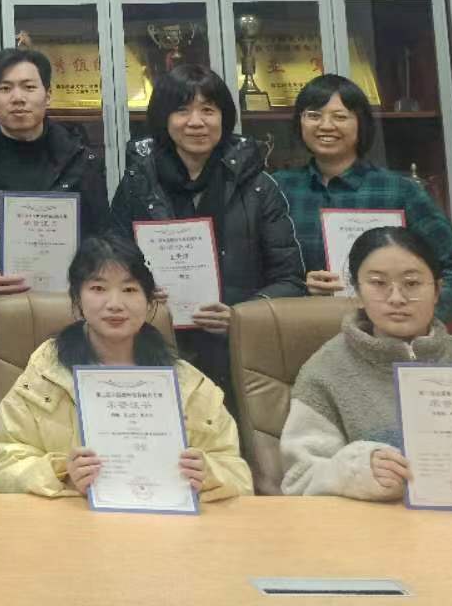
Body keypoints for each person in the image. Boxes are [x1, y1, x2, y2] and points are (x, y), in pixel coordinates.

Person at [0, 233, 252, 500]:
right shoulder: (46, 371)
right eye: (98, 289)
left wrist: (208, 474)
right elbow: (1, 463)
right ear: (77, 299)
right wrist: (62, 474)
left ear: (149, 301)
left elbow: (239, 476)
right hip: (70, 520)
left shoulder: (188, 384)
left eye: (129, 290)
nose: (115, 304)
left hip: (163, 522)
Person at [282, 226, 452, 502]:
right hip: (369, 526)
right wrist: (354, 472)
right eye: (378, 283)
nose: (396, 298)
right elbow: (298, 479)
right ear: (357, 291)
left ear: (437, 290)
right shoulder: (325, 372)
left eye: (411, 284)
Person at [109, 64, 305, 397]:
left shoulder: (259, 188)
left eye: (208, 110)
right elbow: (111, 266)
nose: (196, 122)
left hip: (239, 354)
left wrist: (242, 317)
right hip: (153, 344)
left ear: (224, 118)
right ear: (163, 119)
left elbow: (291, 280)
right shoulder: (137, 186)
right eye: (182, 110)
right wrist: (139, 291)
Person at [0, 47, 110, 435]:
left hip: (71, 312)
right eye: (5, 88)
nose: (18, 98)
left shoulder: (81, 160)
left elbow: (104, 237)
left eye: (29, 87)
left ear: (47, 95)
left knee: (70, 425)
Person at [273, 74, 452, 322]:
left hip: (382, 332)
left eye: (340, 117)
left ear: (362, 124)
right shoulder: (277, 188)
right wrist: (298, 286)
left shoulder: (399, 190)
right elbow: (257, 270)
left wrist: (420, 319)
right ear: (300, 122)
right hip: (299, 327)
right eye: (314, 115)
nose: (326, 126)